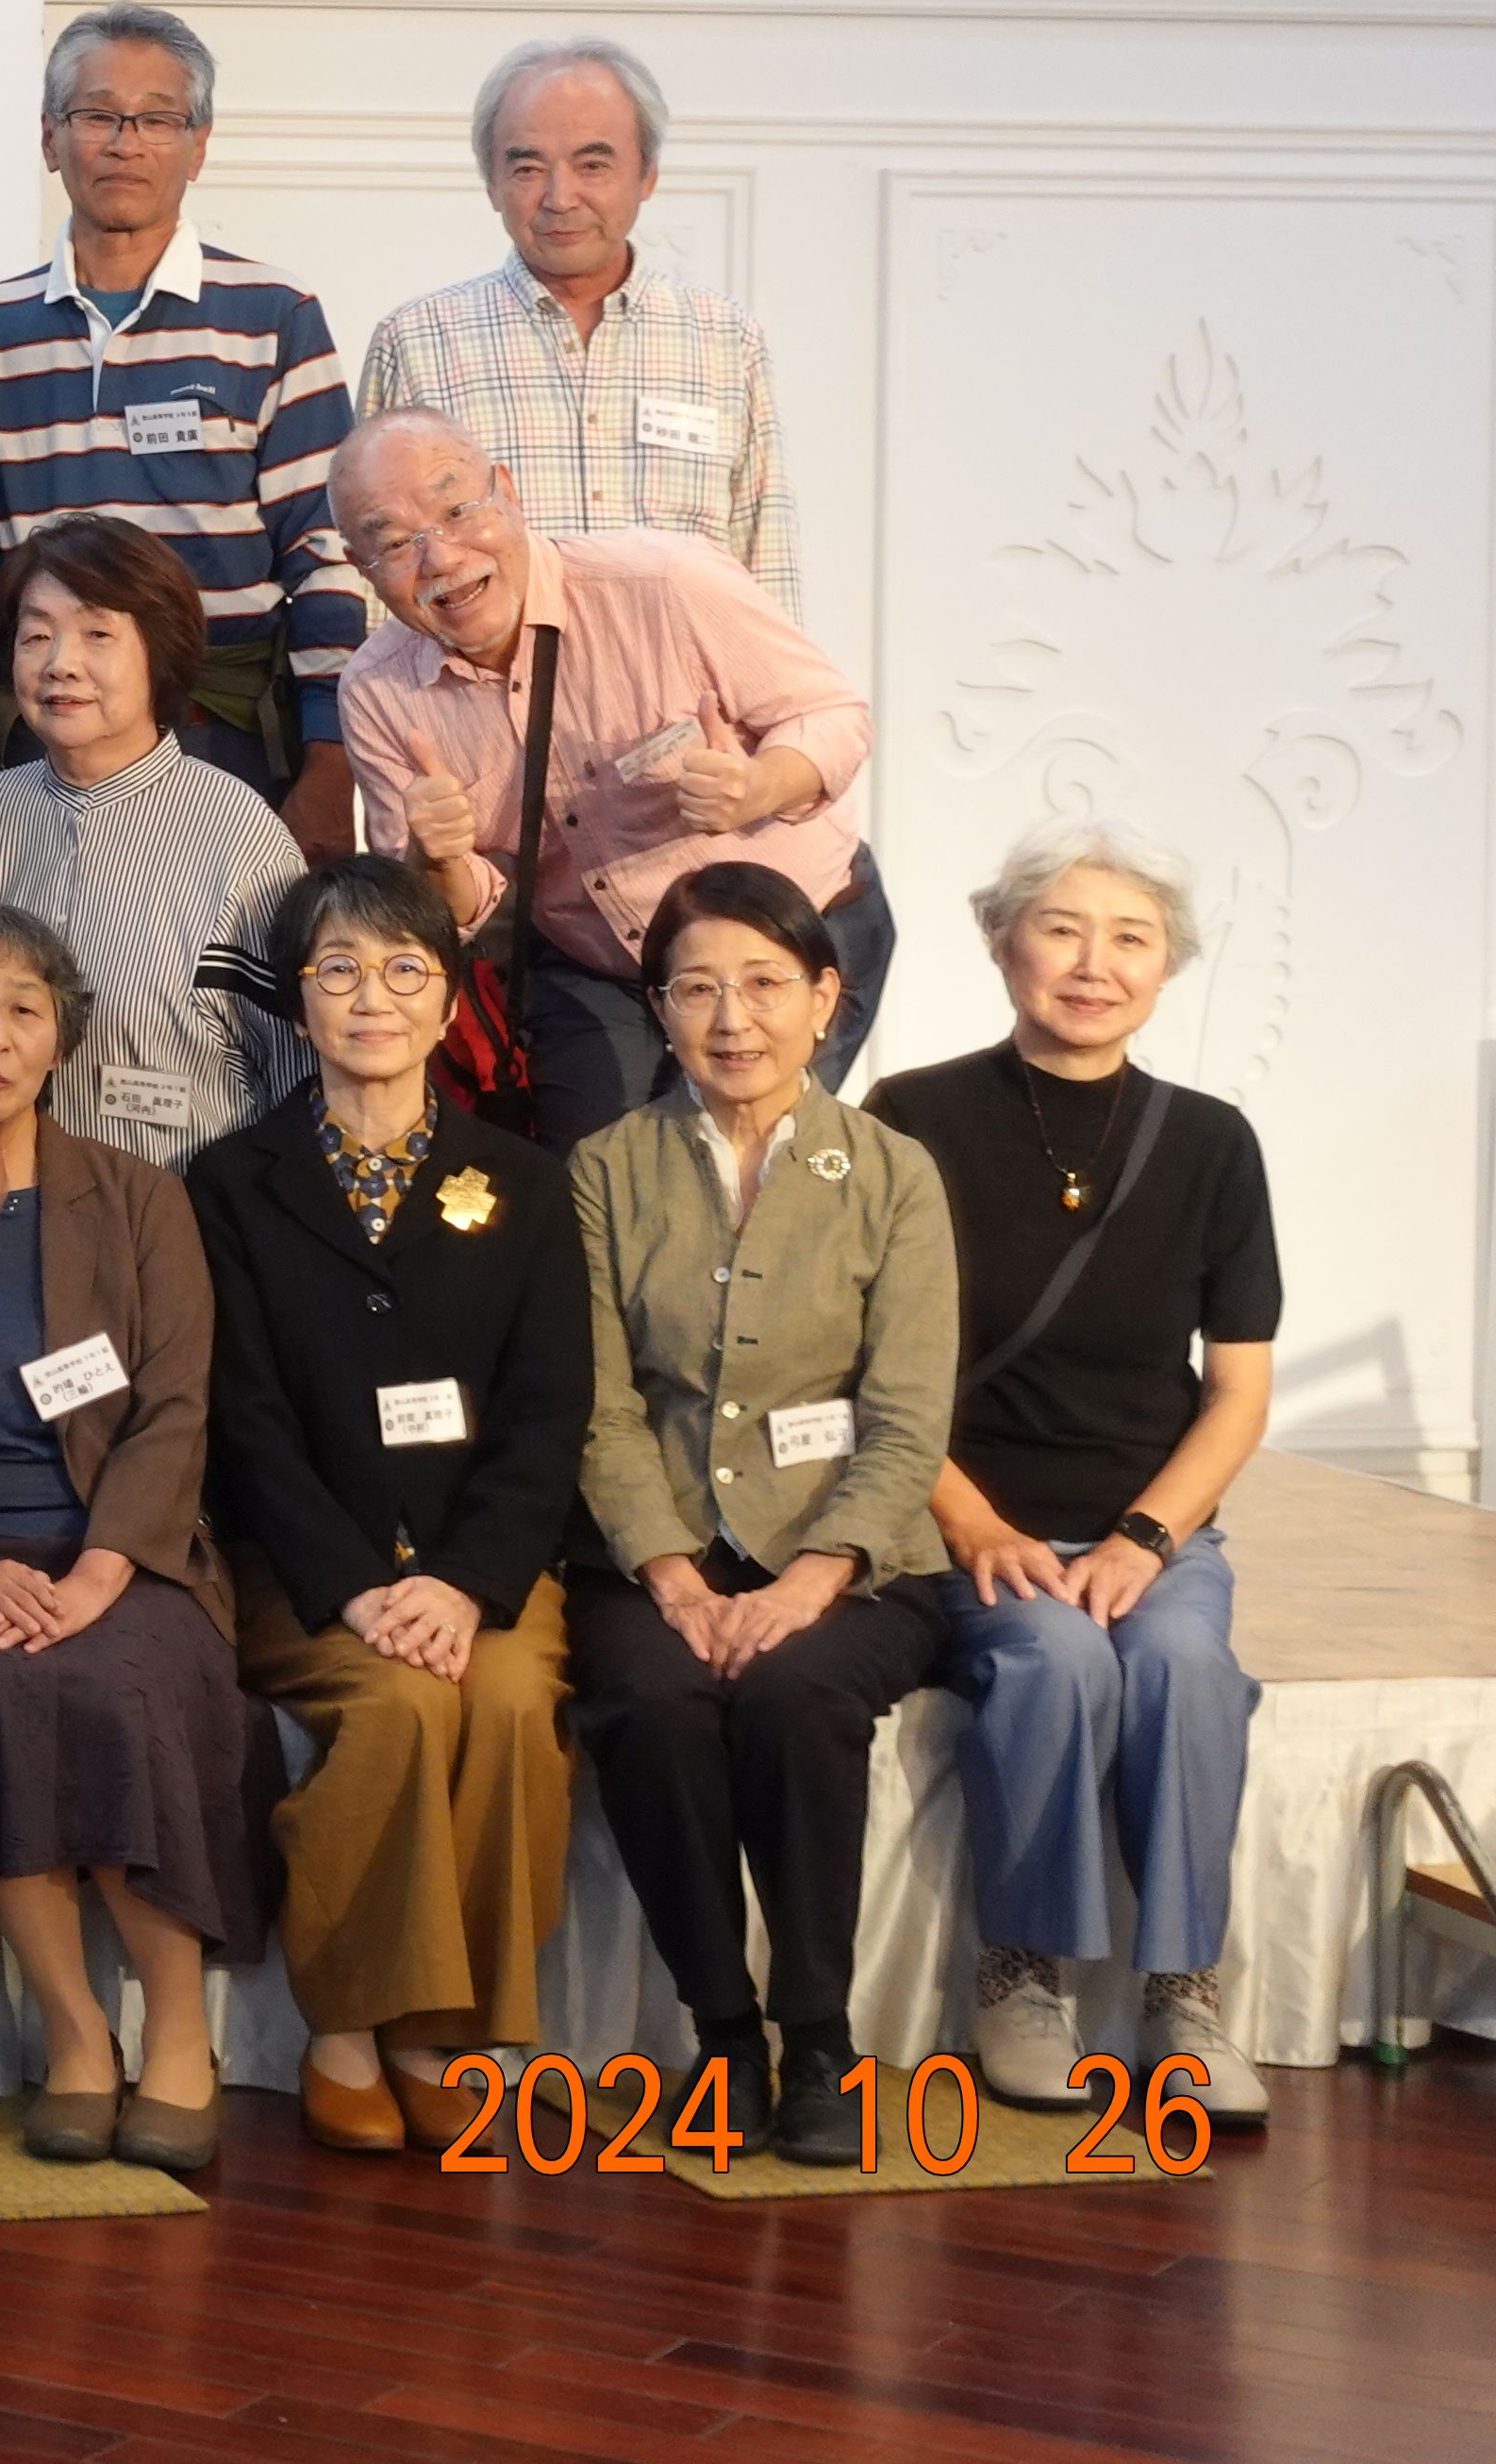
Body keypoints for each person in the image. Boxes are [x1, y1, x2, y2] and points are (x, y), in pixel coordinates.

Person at [0, 901, 276, 2177]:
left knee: (124, 1683)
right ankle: (78, 2034)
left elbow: (176, 1406)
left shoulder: (140, 1197)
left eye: (22, 1009)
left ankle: (180, 2033)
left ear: (60, 1039)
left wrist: (98, 1573)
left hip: (125, 1551)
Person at [869, 824, 1276, 2127]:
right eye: (1062, 929)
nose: (1095, 964)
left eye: (1130, 938)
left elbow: (1239, 1388)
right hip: (965, 1514)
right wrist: (973, 1523)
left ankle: (1183, 1992)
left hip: (1148, 1527)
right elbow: (867, 1361)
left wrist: (1146, 1540)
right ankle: (1023, 1974)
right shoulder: (911, 1117)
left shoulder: (1212, 1142)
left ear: (1167, 966)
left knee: (1183, 1664)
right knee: (1055, 1660)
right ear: (1004, 947)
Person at [184, 859, 588, 2156]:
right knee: (400, 1706)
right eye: (340, 970)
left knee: (510, 1704)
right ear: (298, 999)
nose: (373, 998)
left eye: (406, 969)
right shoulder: (229, 1184)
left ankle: (445, 2030)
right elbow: (242, 1418)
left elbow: (548, 1412)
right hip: (308, 1569)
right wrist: (356, 1587)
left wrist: (467, 1582)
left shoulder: (524, 1183)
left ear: (451, 1000)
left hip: (480, 1567)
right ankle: (351, 2026)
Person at [570, 859, 958, 2169]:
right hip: (659, 1551)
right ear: (659, 1009)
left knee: (797, 1694)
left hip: (853, 1561)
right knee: (650, 1697)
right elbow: (600, 1406)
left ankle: (821, 2041)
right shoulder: (606, 1169)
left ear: (826, 998)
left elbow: (907, 1416)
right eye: (696, 990)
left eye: (765, 985)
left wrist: (807, 1581)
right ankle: (724, 2033)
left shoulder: (895, 1174)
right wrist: (674, 1576)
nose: (732, 1020)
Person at [329, 405, 891, 1142]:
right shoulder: (376, 692)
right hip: (597, 965)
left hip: (790, 933)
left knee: (747, 1162)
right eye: (397, 543)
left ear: (508, 492)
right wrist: (433, 860)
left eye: (458, 511)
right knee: (592, 1174)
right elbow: (441, 913)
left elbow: (832, 714)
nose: (440, 558)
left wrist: (760, 786)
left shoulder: (666, 582)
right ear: (362, 568)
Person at [0, 4, 358, 857]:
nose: (125, 143)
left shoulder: (274, 314)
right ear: (49, 137)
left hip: (224, 734)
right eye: (96, 115)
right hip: (43, 743)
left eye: (157, 119)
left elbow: (328, 556)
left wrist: (332, 762)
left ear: (199, 144)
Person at [0, 516, 306, 1167]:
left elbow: (298, 1070)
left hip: (185, 1204)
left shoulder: (241, 837)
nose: (61, 664)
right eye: (37, 636)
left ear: (160, 652)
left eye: (98, 634)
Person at [360, 36, 794, 610]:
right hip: (486, 672)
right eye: (528, 168)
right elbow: (382, 565)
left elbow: (766, 564)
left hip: (682, 672)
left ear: (647, 175)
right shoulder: (416, 341)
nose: (560, 198)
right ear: (492, 183)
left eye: (593, 165)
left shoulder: (725, 340)